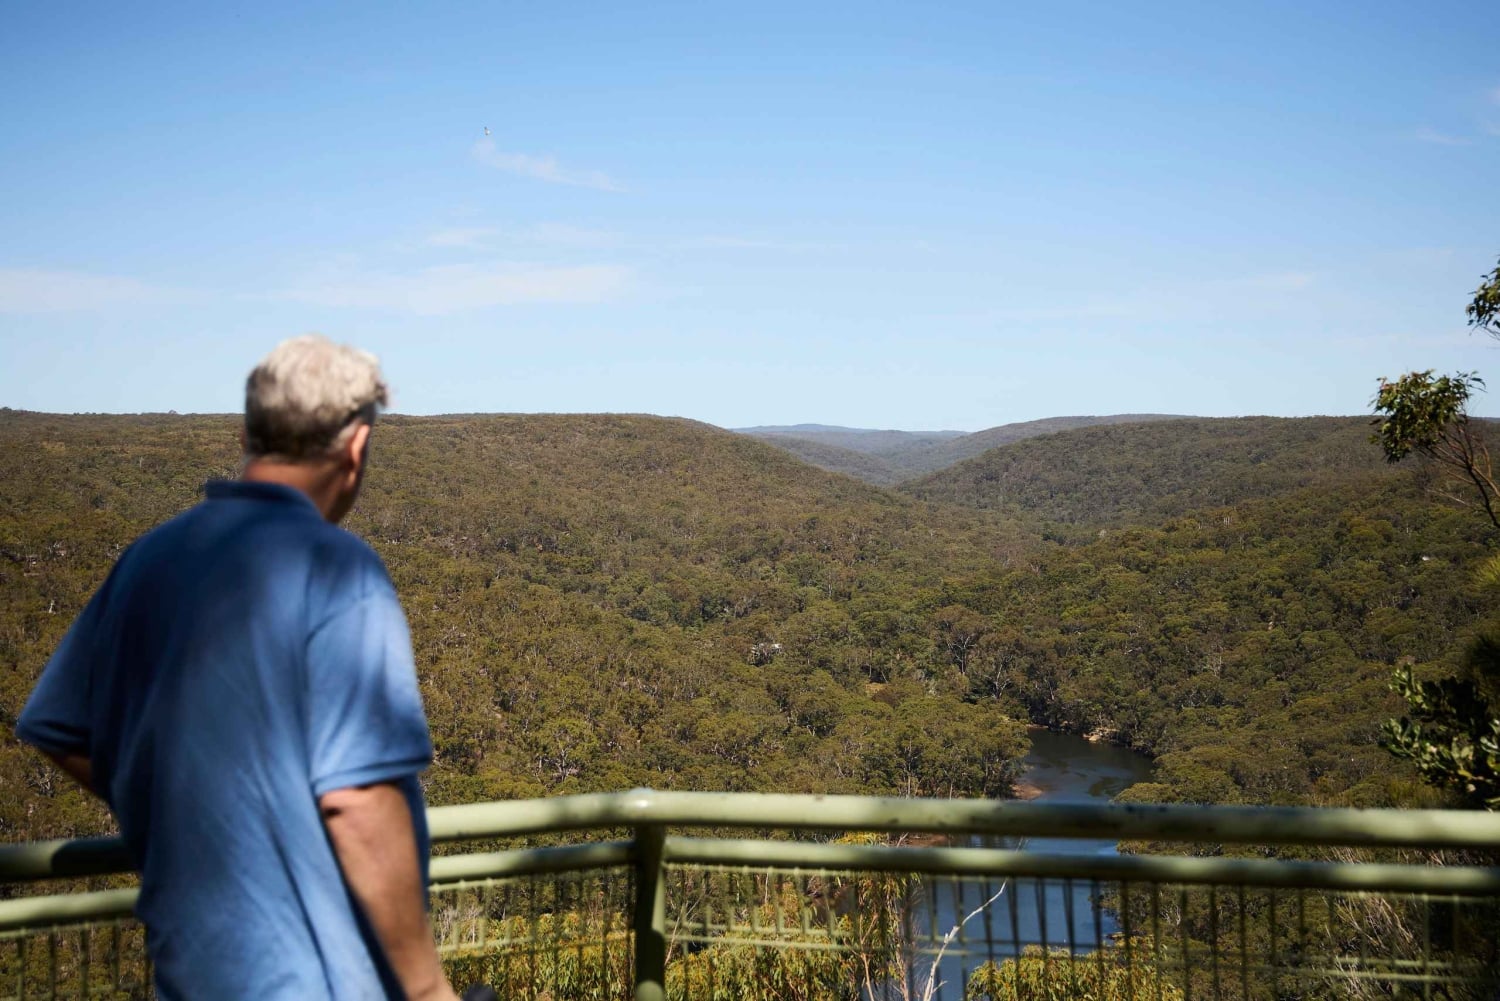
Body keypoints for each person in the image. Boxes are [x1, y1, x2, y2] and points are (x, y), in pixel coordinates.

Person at [16, 336, 460, 1000]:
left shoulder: (149, 558)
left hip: (191, 971)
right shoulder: (338, 569)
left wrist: (188, 810)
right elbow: (358, 799)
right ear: (357, 446)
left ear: (247, 434)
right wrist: (428, 991)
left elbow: (57, 727)